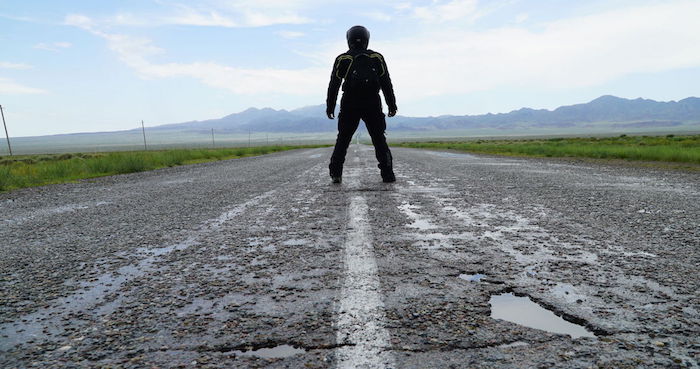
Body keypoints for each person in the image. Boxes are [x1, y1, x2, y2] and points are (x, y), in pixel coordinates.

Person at [326, 25, 397, 183]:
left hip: (350, 102)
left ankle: (336, 174)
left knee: (343, 138)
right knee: (379, 138)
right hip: (372, 101)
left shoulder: (343, 59)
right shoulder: (376, 57)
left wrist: (330, 106)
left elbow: (334, 85)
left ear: (349, 40)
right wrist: (392, 104)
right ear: (367, 39)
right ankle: (388, 174)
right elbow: (386, 82)